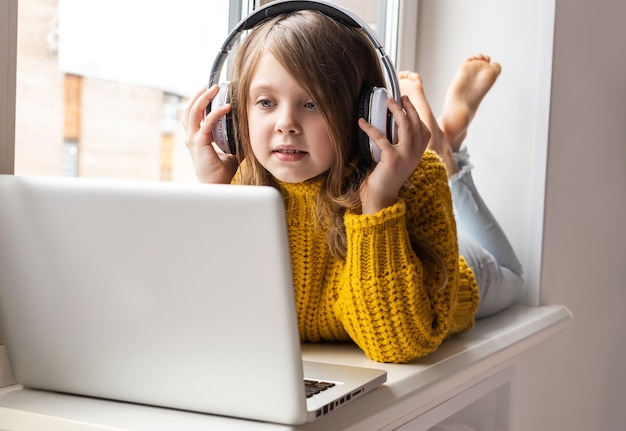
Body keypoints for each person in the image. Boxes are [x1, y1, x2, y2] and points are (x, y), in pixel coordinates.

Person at [183, 10, 522, 363]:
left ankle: (450, 155)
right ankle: (445, 134)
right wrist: (217, 193)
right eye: (266, 102)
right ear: (233, 115)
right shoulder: (240, 182)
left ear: (367, 114)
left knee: (514, 277)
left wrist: (378, 202)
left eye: (312, 104)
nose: (286, 124)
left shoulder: (414, 178)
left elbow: (398, 343)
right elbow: (219, 322)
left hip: (462, 271)